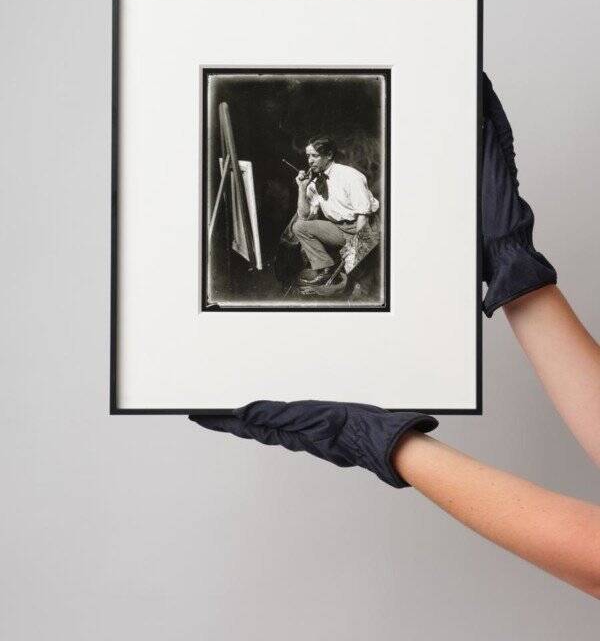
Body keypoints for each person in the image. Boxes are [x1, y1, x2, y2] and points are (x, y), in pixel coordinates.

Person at [190, 75, 600, 598]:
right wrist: (510, 261)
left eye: (313, 156)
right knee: (300, 230)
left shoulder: (347, 176)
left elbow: (366, 215)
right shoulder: (313, 181)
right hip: (337, 229)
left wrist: (374, 438)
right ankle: (323, 274)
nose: (309, 161)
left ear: (326, 154)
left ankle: (330, 273)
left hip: (358, 230)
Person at [292, 137, 379, 285]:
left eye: (315, 156)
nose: (310, 161)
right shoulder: (316, 182)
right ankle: (325, 270)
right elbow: (304, 215)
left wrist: (355, 248)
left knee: (358, 277)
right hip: (340, 228)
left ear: (329, 155)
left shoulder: (350, 176)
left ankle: (359, 283)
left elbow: (363, 216)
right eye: (308, 156)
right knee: (299, 227)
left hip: (366, 227)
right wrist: (302, 188)